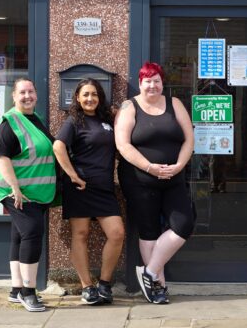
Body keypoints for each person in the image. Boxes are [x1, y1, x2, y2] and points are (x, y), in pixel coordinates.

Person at [115, 62, 195, 304]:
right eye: (148, 81)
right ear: (140, 83)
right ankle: (157, 287)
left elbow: (189, 139)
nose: (153, 85)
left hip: (173, 178)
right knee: (148, 230)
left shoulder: (175, 104)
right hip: (140, 180)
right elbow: (123, 144)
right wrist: (149, 167)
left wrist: (179, 165)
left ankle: (148, 271)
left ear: (162, 83)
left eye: (157, 80)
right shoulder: (130, 106)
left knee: (184, 223)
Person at [53, 78, 125, 305]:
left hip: (104, 187)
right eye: (85, 94)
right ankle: (87, 286)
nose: (90, 98)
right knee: (80, 235)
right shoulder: (74, 121)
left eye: (94, 94)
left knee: (117, 234)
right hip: (80, 187)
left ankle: (104, 284)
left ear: (99, 97)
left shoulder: (107, 120)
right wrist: (72, 175)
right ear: (77, 98)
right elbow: (58, 146)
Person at [0, 78, 56, 313]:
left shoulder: (33, 119)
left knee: (19, 236)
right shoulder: (9, 123)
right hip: (18, 192)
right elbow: (0, 156)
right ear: (14, 96)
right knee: (32, 233)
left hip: (34, 191)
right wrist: (15, 188)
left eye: (31, 91)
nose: (27, 96)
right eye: (22, 92)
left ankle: (16, 290)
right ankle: (29, 292)